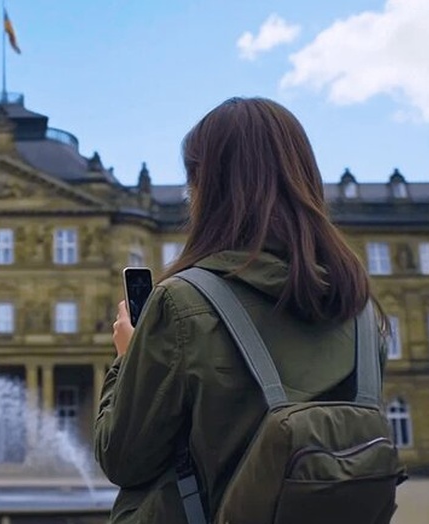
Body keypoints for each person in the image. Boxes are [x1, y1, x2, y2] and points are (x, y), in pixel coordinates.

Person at [93, 97, 388, 523]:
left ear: (206, 186)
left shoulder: (181, 304)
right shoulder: (360, 312)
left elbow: (121, 457)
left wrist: (126, 361)